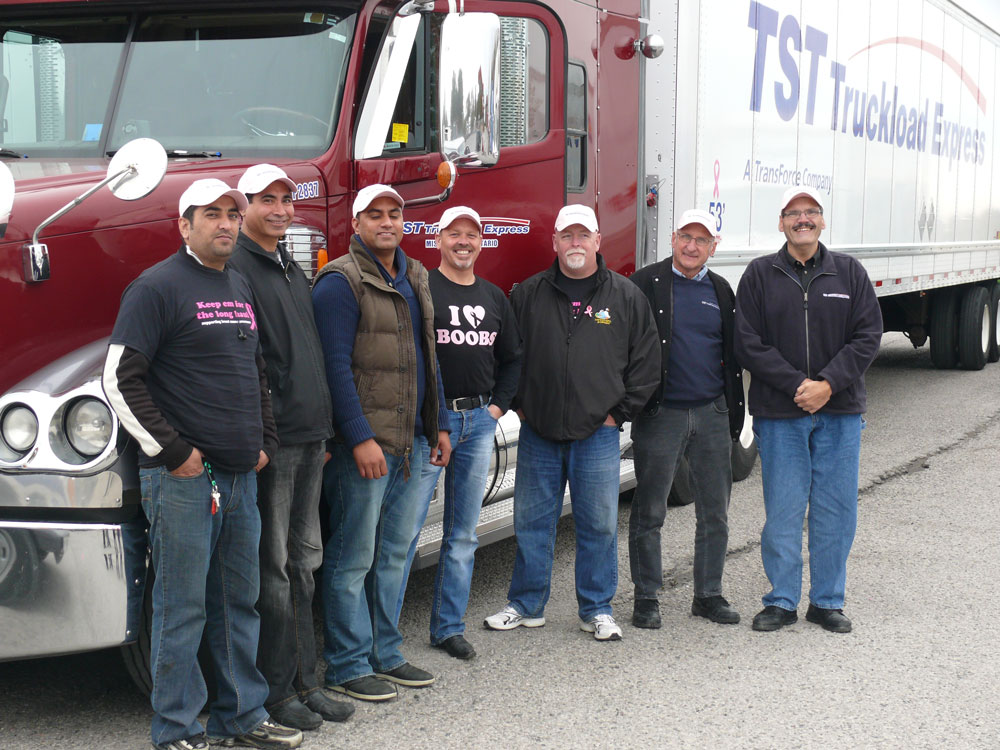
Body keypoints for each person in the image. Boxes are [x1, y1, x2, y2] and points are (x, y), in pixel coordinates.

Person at [103, 178, 302, 750]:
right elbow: (119, 378)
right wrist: (174, 453)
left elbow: (255, 368)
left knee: (238, 603)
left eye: (232, 214)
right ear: (184, 225)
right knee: (181, 608)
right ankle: (176, 729)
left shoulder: (237, 282)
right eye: (210, 214)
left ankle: (241, 715)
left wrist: (264, 439)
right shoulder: (156, 287)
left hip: (241, 476)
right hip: (184, 481)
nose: (225, 223)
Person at [485, 204, 659, 641]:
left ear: (598, 240)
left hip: (597, 434)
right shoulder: (528, 293)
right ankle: (526, 605)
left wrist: (618, 415)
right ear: (555, 242)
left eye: (583, 235)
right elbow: (508, 356)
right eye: (567, 236)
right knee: (531, 523)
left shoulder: (625, 296)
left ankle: (596, 609)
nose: (575, 243)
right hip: (539, 432)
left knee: (599, 525)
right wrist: (520, 406)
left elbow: (646, 362)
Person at [312, 183, 451, 701]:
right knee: (352, 557)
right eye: (375, 214)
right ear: (356, 224)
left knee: (393, 555)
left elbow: (427, 358)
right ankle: (346, 664)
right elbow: (333, 367)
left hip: (412, 442)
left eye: (394, 213)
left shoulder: (415, 276)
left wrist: (438, 424)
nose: (387, 221)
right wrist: (359, 437)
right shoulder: (339, 282)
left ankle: (385, 653)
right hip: (366, 449)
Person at [227, 164, 354, 730]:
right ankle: (276, 694)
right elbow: (248, 364)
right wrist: (265, 434)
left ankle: (308, 683)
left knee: (304, 565)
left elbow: (311, 355)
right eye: (267, 200)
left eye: (286, 200)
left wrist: (324, 428)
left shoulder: (288, 265)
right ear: (245, 208)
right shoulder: (237, 270)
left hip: (309, 437)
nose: (280, 210)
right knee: (273, 571)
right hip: (274, 443)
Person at [735, 185, 882, 634]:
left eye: (811, 211)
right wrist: (798, 385)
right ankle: (781, 601)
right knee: (783, 510)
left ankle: (826, 601)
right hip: (781, 414)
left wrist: (828, 385)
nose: (803, 219)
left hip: (840, 413)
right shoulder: (759, 274)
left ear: (822, 220)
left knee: (835, 510)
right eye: (793, 213)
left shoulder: (849, 273)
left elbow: (867, 337)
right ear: (781, 223)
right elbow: (747, 342)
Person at [627, 209, 745, 629]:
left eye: (702, 240)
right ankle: (646, 598)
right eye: (686, 237)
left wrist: (733, 410)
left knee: (715, 512)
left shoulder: (721, 289)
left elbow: (732, 352)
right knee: (650, 511)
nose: (692, 246)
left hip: (712, 412)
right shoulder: (644, 283)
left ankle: (708, 595)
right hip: (661, 414)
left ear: (714, 246)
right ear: (673, 238)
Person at [419, 205, 521, 660]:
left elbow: (514, 359)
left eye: (471, 234)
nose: (463, 241)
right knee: (404, 534)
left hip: (478, 424)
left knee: (463, 534)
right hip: (429, 424)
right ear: (438, 239)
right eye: (454, 233)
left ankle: (448, 628)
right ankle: (381, 642)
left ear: (481, 242)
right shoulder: (421, 289)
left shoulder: (494, 297)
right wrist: (433, 416)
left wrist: (495, 410)